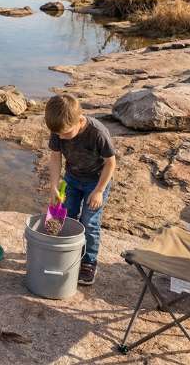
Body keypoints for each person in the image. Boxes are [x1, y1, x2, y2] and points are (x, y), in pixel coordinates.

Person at [45, 94, 117, 286]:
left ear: (80, 119)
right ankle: (61, 249)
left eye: (66, 134)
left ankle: (88, 262)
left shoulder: (97, 133)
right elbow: (55, 156)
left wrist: (100, 191)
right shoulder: (59, 128)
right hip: (72, 178)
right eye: (58, 134)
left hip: (96, 182)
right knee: (63, 214)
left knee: (89, 222)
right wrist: (54, 185)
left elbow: (111, 163)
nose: (61, 137)